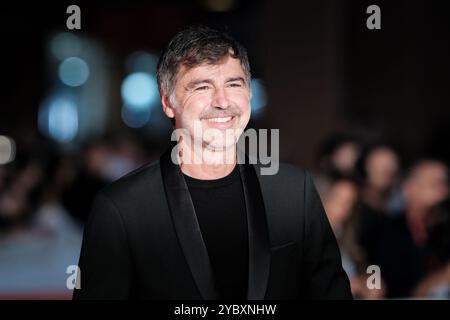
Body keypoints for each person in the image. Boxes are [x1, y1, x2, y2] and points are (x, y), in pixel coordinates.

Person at [73, 25, 352, 300]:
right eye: (202, 86)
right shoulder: (122, 208)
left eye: (233, 84)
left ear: (250, 93)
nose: (222, 101)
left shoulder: (294, 192)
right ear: (167, 101)